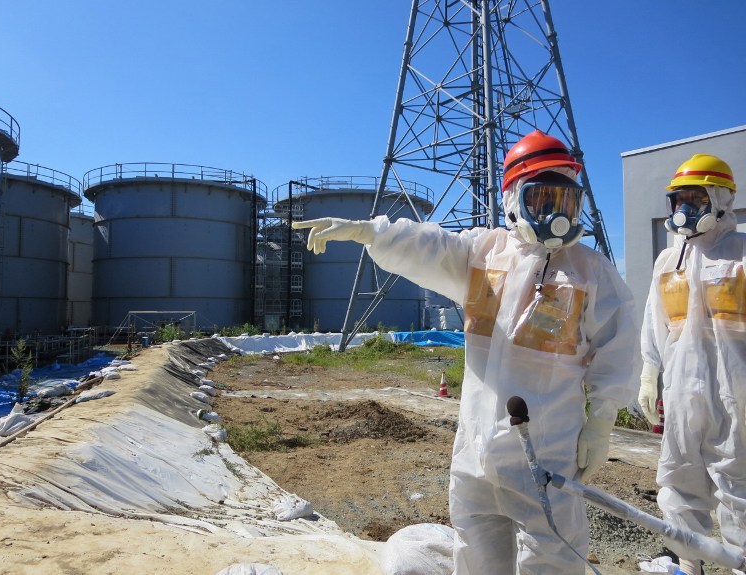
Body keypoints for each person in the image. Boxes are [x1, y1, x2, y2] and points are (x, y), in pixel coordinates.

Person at [293, 130, 637, 574]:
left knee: (551, 557)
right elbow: (429, 246)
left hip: (547, 450)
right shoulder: (483, 254)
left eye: (565, 200)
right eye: (541, 199)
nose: (556, 214)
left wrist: (602, 420)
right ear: (513, 199)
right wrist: (371, 232)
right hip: (476, 450)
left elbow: (617, 348)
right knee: (475, 551)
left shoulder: (590, 273)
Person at [639, 154, 746, 575]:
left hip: (736, 392)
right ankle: (688, 563)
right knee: (678, 476)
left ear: (721, 200)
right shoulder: (670, 262)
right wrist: (650, 372)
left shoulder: (741, 253)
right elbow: (655, 321)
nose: (685, 209)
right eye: (679, 200)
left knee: (738, 484)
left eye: (696, 199)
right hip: (682, 391)